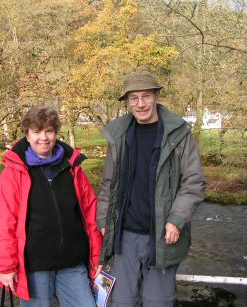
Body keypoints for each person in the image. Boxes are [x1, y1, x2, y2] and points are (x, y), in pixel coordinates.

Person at [97, 71, 206, 307]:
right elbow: (109, 184)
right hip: (125, 236)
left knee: (158, 302)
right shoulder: (119, 135)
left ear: (156, 96)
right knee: (122, 302)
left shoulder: (178, 134)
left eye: (146, 96)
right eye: (133, 98)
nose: (140, 103)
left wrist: (177, 218)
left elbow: (193, 181)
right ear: (127, 102)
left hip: (162, 237)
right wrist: (104, 221)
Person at [0, 105, 102, 307]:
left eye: (48, 130)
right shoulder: (14, 173)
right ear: (27, 134)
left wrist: (97, 256)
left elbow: (90, 214)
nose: (43, 137)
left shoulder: (72, 168)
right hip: (34, 268)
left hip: (73, 264)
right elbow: (2, 222)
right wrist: (6, 266)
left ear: (56, 132)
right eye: (36, 131)